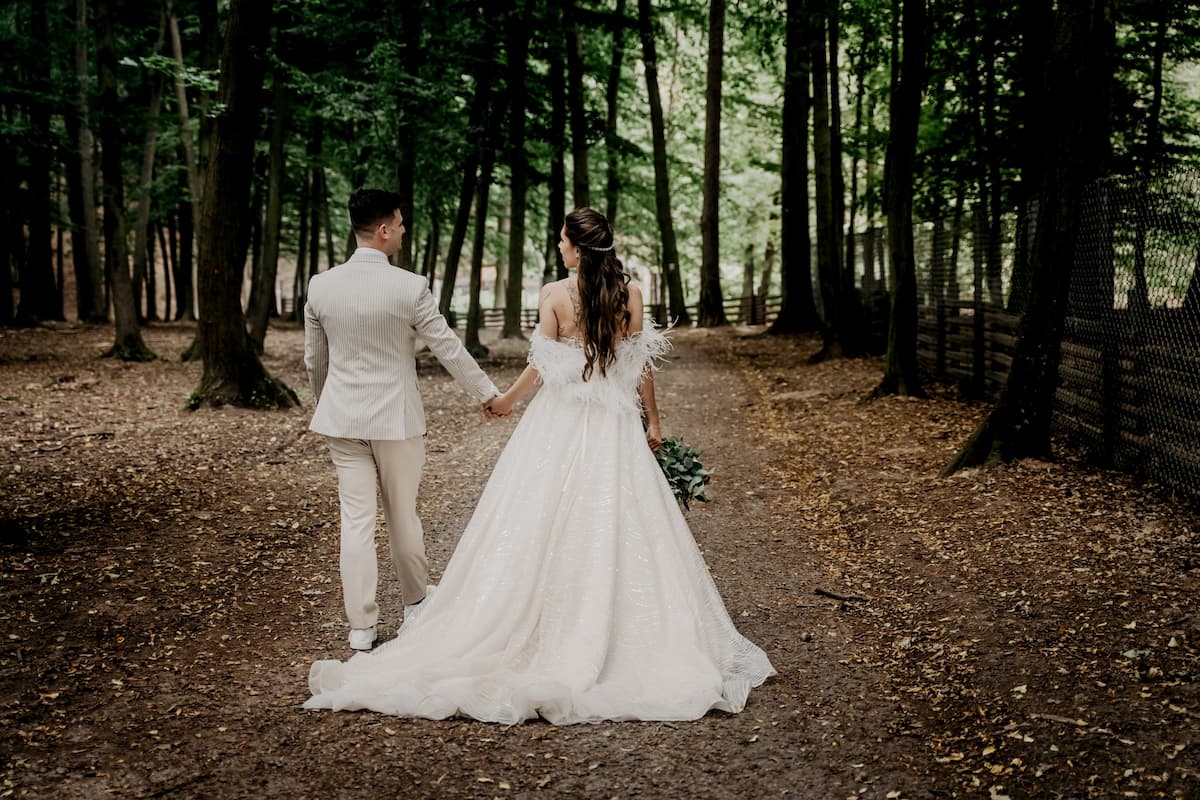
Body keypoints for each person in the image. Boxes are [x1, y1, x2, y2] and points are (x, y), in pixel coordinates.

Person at [304, 207, 774, 723]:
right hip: (615, 424)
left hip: (560, 422)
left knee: (537, 517)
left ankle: (391, 627)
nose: (558, 246)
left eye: (562, 240)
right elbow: (639, 370)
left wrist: (503, 400)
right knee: (619, 519)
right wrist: (653, 423)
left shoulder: (554, 295)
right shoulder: (631, 295)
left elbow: (542, 368)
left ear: (577, 248)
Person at [304, 189, 503, 652]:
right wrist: (488, 394)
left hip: (343, 420)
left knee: (354, 520)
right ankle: (415, 603)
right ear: (383, 229)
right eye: (400, 222)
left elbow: (316, 360)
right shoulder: (410, 286)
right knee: (401, 515)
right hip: (395, 419)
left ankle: (362, 627)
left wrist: (327, 403)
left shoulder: (320, 285)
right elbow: (447, 346)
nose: (404, 229)